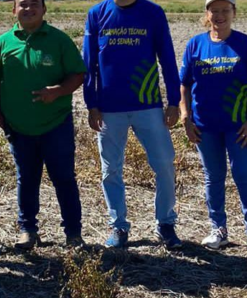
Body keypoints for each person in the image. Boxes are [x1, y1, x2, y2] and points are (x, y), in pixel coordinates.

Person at [83, 0, 182, 249]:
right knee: (111, 170)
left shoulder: (153, 12)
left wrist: (174, 101)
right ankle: (118, 226)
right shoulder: (97, 14)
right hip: (108, 108)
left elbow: (167, 57)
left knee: (164, 165)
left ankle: (166, 223)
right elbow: (89, 64)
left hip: (147, 105)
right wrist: (91, 104)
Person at [0, 0, 86, 250]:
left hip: (56, 124)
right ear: (13, 10)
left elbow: (77, 74)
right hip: (19, 127)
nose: (28, 9)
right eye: (22, 4)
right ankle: (27, 230)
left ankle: (73, 233)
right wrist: (0, 114)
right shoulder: (3, 43)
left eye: (34, 4)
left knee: (64, 178)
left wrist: (59, 91)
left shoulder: (59, 40)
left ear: (44, 10)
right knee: (27, 179)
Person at [179, 0, 247, 257]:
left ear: (233, 13)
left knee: (244, 176)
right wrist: (186, 117)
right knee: (213, 177)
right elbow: (184, 84)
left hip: (240, 127)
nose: (219, 16)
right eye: (214, 11)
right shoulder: (196, 44)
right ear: (207, 14)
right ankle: (218, 229)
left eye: (224, 11)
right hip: (205, 127)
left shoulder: (245, 44)